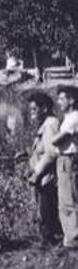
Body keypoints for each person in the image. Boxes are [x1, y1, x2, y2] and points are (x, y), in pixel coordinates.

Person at [26, 92, 62, 243]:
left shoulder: (51, 124)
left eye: (34, 109)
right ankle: (50, 243)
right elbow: (42, 149)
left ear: (44, 108)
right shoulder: (46, 124)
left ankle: (50, 246)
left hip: (48, 180)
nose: (31, 113)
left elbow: (51, 153)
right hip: (44, 179)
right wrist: (27, 154)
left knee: (47, 214)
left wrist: (36, 173)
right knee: (46, 213)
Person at [50, 85, 78, 248]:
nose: (59, 102)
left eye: (62, 98)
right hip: (65, 159)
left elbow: (57, 140)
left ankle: (73, 240)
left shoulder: (74, 117)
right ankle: (70, 237)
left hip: (68, 160)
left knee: (69, 200)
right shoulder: (69, 117)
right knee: (65, 200)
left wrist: (50, 137)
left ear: (72, 100)